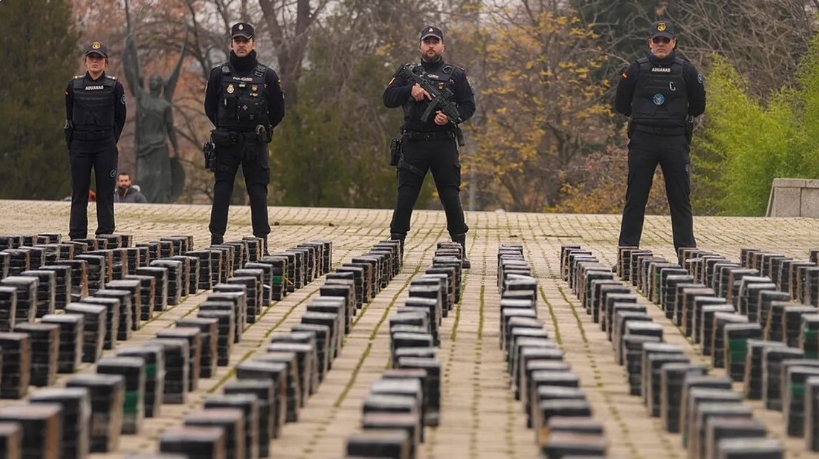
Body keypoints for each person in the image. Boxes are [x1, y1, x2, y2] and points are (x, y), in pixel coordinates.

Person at [383, 25, 476, 268]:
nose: (431, 46)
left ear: (443, 45)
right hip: (413, 144)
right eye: (427, 41)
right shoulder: (408, 73)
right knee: (406, 196)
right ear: (420, 46)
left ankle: (459, 248)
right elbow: (388, 97)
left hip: (443, 144)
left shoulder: (456, 74)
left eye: (435, 41)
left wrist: (451, 118)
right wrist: (409, 91)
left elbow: (468, 106)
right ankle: (395, 248)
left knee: (450, 196)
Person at [613, 20, 706, 264]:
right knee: (635, 198)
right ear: (649, 43)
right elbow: (620, 104)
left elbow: (698, 106)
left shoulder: (687, 71)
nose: (661, 44)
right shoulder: (635, 70)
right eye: (657, 40)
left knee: (680, 198)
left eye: (666, 40)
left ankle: (687, 256)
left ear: (674, 42)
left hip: (675, 141)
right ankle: (626, 254)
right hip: (643, 140)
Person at [204, 22, 285, 254]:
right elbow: (210, 107)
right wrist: (224, 129)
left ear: (253, 43)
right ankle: (216, 239)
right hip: (226, 142)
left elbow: (278, 111)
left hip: (254, 143)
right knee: (221, 190)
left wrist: (261, 130)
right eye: (237, 40)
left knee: (258, 191)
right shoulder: (219, 75)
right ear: (231, 43)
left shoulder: (267, 76)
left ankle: (262, 241)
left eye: (245, 41)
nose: (241, 45)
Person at [64, 42, 127, 240]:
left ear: (105, 62)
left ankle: (105, 232)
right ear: (85, 61)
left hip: (104, 145)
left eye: (99, 58)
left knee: (105, 192)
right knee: (79, 192)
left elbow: (120, 117)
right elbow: (69, 114)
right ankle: (77, 233)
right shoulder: (73, 86)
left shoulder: (115, 86)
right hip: (80, 144)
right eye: (91, 57)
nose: (95, 61)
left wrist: (110, 139)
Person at [123, 26, 187, 203]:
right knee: (144, 179)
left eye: (156, 80)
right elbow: (130, 74)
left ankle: (161, 205)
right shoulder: (141, 98)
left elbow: (170, 128)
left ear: (160, 86)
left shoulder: (165, 105)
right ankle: (144, 204)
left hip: (159, 148)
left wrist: (176, 148)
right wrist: (126, 50)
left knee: (161, 182)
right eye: (152, 79)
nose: (153, 81)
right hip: (143, 148)